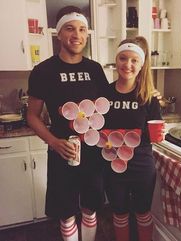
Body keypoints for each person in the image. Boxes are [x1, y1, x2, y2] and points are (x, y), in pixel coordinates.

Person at [27, 6, 108, 241]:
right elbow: (32, 115)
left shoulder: (94, 69)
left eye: (82, 29)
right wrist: (54, 142)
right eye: (70, 28)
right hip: (63, 150)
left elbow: (107, 106)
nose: (77, 35)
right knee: (66, 213)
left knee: (91, 208)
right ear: (58, 34)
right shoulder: (44, 71)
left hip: (92, 151)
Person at [103, 36, 162, 241]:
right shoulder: (105, 94)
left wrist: (159, 135)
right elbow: (95, 126)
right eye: (123, 58)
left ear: (141, 64)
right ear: (116, 60)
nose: (127, 65)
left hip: (141, 164)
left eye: (134, 60)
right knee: (119, 212)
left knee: (143, 212)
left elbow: (155, 132)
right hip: (112, 164)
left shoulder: (148, 96)